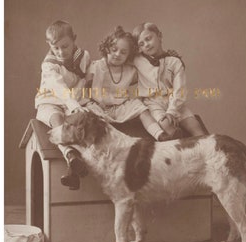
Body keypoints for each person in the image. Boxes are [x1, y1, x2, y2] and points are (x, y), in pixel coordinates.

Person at [85, 26, 171, 141]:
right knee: (90, 115)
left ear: (129, 55)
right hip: (99, 106)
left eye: (123, 52)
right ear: (106, 48)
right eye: (114, 49)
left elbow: (150, 72)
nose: (117, 54)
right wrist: (90, 101)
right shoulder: (96, 66)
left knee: (141, 108)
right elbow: (87, 86)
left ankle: (160, 134)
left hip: (121, 106)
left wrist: (167, 57)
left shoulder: (130, 70)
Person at [35, 20, 90, 190]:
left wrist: (77, 102)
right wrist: (73, 104)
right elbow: (59, 89)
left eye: (65, 46)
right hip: (50, 101)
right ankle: (70, 154)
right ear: (49, 45)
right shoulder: (49, 65)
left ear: (74, 39)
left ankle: (72, 169)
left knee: (79, 124)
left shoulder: (83, 57)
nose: (60, 52)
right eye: (55, 47)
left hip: (72, 101)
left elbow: (84, 80)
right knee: (58, 122)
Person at [132, 22, 207, 138]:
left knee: (195, 126)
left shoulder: (175, 62)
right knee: (166, 124)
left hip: (174, 101)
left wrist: (172, 111)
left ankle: (206, 150)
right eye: (141, 44)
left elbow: (179, 90)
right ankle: (182, 148)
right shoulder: (137, 61)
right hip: (153, 103)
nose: (146, 45)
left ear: (159, 35)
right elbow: (118, 58)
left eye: (148, 39)